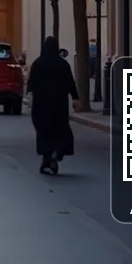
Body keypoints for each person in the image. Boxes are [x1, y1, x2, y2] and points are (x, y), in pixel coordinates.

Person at [26, 36, 80, 176]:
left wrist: (30, 95)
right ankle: (56, 151)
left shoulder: (38, 63)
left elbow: (32, 82)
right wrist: (75, 98)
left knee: (43, 131)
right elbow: (70, 82)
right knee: (59, 129)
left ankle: (46, 158)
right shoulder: (63, 64)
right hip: (59, 104)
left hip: (41, 104)